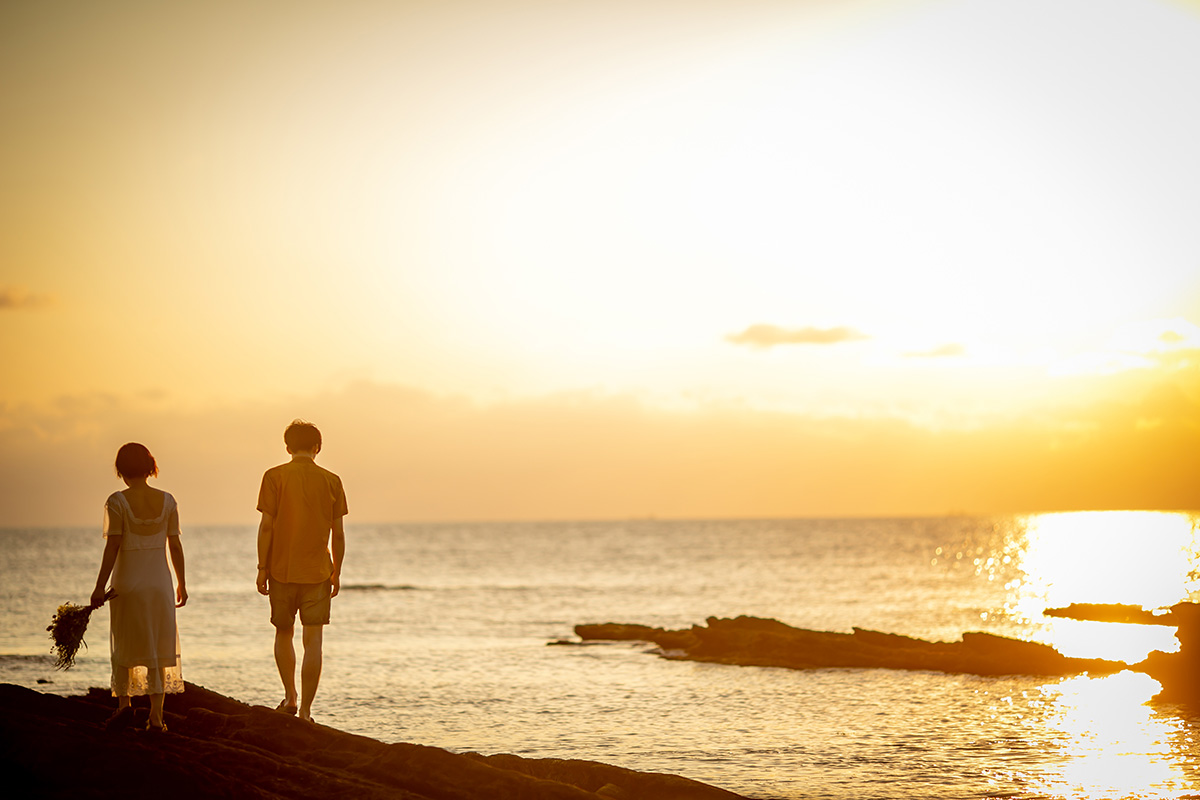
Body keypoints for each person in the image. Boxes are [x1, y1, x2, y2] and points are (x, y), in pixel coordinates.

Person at [91, 442, 187, 732]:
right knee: (158, 647)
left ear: (120, 469)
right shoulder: (168, 500)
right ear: (150, 466)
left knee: (124, 645)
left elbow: (114, 546)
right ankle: (156, 717)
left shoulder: (117, 501)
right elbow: (175, 544)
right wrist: (182, 582)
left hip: (127, 584)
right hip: (160, 583)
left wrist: (99, 587)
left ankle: (124, 707)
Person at [256, 419, 347, 723]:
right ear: (317, 448)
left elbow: (267, 526)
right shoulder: (332, 480)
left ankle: (290, 696)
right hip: (318, 571)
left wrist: (262, 567)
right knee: (314, 641)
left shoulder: (273, 477)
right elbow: (338, 533)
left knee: (283, 633)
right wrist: (337, 572)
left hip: (281, 569)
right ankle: (307, 711)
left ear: (287, 447)